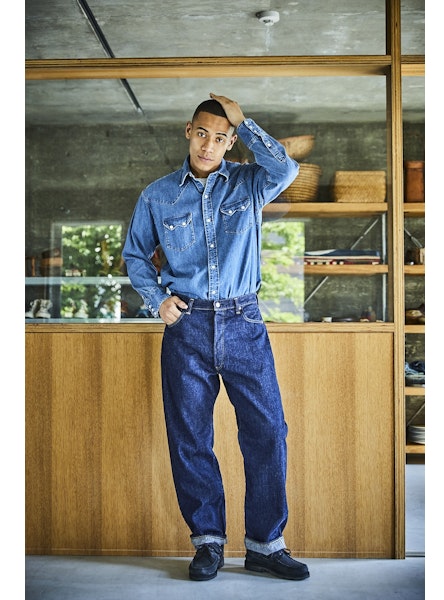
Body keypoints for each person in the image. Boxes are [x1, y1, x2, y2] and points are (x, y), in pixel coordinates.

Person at [122, 93, 310, 582]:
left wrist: (244, 123)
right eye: (202, 134)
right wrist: (156, 299)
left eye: (220, 138)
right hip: (186, 327)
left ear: (230, 143)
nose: (208, 145)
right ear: (189, 132)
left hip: (243, 322)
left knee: (267, 431)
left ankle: (265, 545)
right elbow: (136, 255)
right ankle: (207, 542)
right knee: (190, 437)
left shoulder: (250, 183)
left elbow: (286, 169)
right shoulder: (158, 195)